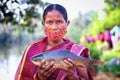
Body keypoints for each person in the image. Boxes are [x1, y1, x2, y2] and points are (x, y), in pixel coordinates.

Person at [15, 4, 94, 80]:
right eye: (49, 22)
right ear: (43, 24)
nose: (54, 27)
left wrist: (72, 76)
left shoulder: (77, 51)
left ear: (67, 23)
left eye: (59, 22)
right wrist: (39, 78)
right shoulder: (32, 50)